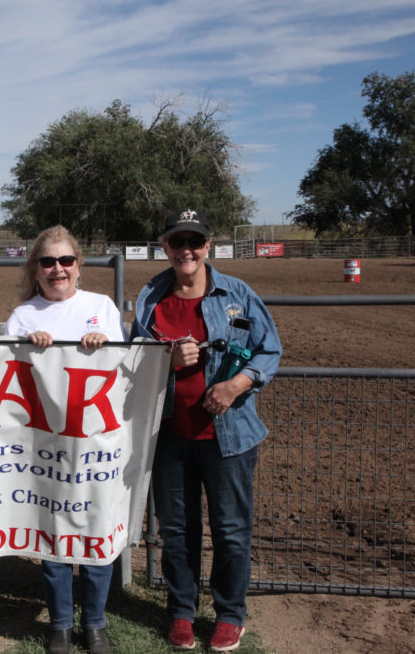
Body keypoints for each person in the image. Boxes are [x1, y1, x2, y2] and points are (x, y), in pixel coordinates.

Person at [131, 208, 281, 653]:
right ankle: (181, 611)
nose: (187, 250)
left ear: (208, 246)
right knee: (176, 529)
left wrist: (236, 385)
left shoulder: (237, 293)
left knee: (231, 529)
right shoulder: (150, 298)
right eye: (178, 242)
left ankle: (229, 614)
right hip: (171, 434)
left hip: (229, 436)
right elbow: (134, 361)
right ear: (165, 247)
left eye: (195, 242)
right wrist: (166, 363)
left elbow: (268, 349)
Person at [4, 225, 123, 654]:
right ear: (35, 269)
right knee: (53, 534)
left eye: (65, 261)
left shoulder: (102, 307)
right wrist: (26, 344)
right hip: (45, 446)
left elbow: (124, 365)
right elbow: (6, 377)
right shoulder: (23, 316)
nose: (58, 269)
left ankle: (94, 623)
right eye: (48, 262)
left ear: (79, 266)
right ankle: (60, 624)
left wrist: (104, 344)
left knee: (96, 530)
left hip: (95, 445)